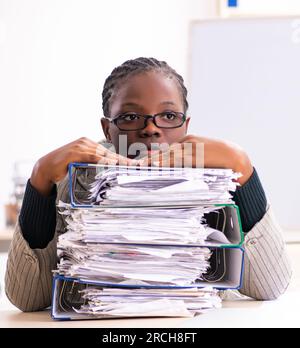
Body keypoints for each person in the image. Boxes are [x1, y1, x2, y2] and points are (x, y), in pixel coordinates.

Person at [5, 57, 292, 312]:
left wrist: (242, 167)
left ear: (185, 126)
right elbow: (28, 299)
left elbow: (269, 287)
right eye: (130, 117)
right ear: (107, 129)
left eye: (168, 116)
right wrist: (40, 177)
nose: (151, 128)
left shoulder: (215, 180)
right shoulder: (78, 184)